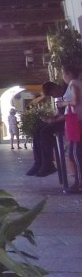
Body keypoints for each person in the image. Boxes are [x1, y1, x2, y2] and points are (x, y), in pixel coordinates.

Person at [57, 64, 82, 192]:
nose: (63, 76)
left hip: (76, 121)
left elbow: (76, 101)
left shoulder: (73, 83)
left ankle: (79, 184)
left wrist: (64, 103)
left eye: (63, 72)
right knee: (75, 152)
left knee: (75, 153)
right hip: (76, 120)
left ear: (69, 73)